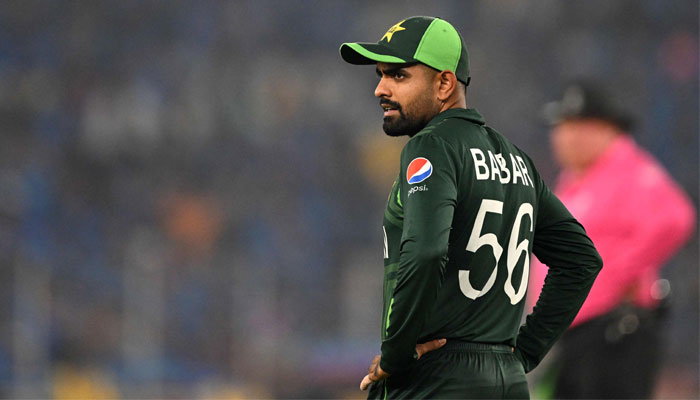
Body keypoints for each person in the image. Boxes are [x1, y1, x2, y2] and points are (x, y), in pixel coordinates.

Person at [339, 16, 603, 399]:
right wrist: (523, 352)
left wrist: (395, 356)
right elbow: (580, 260)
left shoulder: (432, 147)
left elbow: (427, 252)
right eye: (380, 75)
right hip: (507, 383)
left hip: (435, 378)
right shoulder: (518, 162)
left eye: (398, 76)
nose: (380, 88)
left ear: (444, 83)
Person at [529, 81, 696, 399]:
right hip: (576, 335)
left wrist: (609, 274)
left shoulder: (629, 169)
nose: (565, 137)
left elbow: (675, 219)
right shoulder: (576, 180)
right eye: (562, 127)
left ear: (607, 131)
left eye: (578, 127)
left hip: (612, 336)